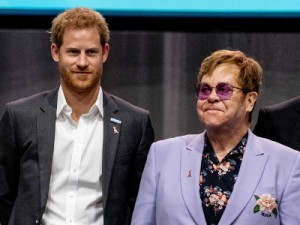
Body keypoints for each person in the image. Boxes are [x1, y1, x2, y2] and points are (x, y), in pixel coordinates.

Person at [0, 7, 155, 225]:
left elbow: (140, 203)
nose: (82, 62)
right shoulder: (20, 116)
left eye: (91, 52)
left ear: (105, 52)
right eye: (73, 52)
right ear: (55, 52)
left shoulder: (134, 123)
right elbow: (4, 196)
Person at [131, 49, 300, 225]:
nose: (211, 97)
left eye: (224, 90)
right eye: (204, 90)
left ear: (250, 100)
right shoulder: (162, 155)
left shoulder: (287, 163)